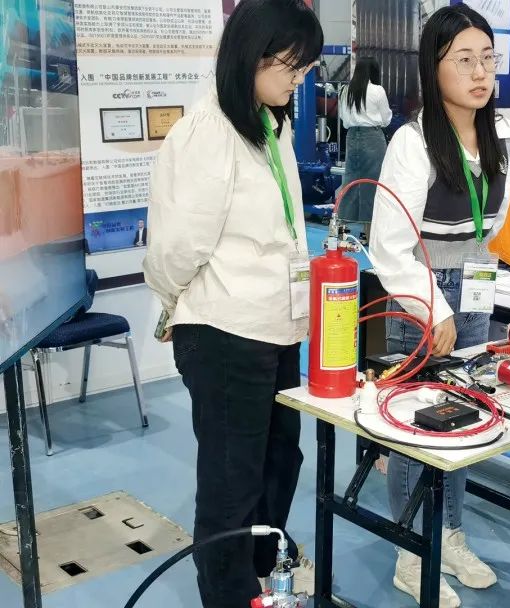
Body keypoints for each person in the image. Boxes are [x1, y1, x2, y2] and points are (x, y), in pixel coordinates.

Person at [142, 0, 322, 605]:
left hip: (276, 328)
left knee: (280, 460)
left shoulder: (270, 124)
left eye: (304, 69)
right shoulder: (208, 131)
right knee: (231, 481)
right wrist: (173, 304)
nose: (298, 81)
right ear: (250, 55)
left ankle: (262, 575)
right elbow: (176, 247)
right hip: (225, 333)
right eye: (290, 67)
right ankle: (228, 594)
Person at [367, 5, 510, 607]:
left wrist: (479, 278)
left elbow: (493, 224)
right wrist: (434, 307)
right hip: (422, 297)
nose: (480, 73)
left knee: (465, 419)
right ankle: (410, 551)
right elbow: (389, 244)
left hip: (476, 286)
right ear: (434, 67)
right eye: (464, 60)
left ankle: (449, 534)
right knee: (417, 426)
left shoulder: (502, 131)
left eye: (488, 59)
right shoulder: (412, 141)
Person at [339, 57, 392, 227]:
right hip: (373, 137)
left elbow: (343, 119)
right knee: (373, 181)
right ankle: (369, 228)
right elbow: (386, 119)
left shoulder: (345, 90)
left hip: (352, 136)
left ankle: (342, 225)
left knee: (350, 179)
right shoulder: (377, 91)